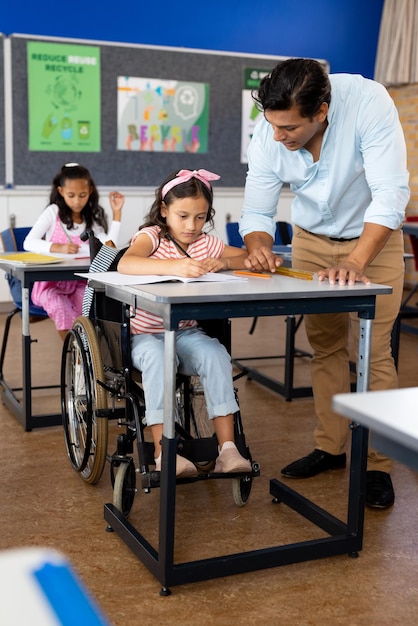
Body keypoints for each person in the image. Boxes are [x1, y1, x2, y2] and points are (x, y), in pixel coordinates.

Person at [239, 58, 410, 509]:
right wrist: (258, 245)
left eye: (289, 127)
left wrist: (356, 261)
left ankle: (378, 464)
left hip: (373, 240)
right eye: (273, 125)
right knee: (326, 344)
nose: (278, 135)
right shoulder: (270, 128)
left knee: (374, 351)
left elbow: (391, 193)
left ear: (322, 110)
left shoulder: (369, 102)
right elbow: (257, 207)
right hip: (311, 239)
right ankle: (330, 447)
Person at [117, 168, 252, 478]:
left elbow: (245, 257)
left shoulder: (206, 243)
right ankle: (164, 452)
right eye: (183, 216)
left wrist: (225, 262)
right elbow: (126, 262)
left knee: (215, 354)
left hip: (183, 331)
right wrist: (176, 264)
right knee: (158, 358)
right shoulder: (152, 236)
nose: (192, 226)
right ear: (164, 211)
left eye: (201, 217)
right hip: (143, 336)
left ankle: (228, 450)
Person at [24, 163, 124, 340]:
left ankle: (86, 353)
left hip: (78, 283)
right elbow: (29, 242)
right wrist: (55, 247)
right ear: (61, 191)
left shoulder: (90, 218)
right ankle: (73, 354)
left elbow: (109, 247)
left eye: (82, 195)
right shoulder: (53, 212)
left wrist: (117, 214)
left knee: (90, 305)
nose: (77, 201)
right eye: (71, 195)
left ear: (90, 191)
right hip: (50, 286)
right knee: (61, 307)